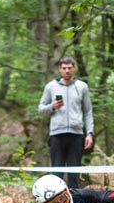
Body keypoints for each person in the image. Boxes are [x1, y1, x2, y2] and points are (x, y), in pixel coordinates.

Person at [38, 57, 95, 189]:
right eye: (64, 68)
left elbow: (88, 112)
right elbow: (41, 109)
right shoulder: (51, 87)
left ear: (74, 68)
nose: (67, 71)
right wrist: (52, 106)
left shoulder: (82, 87)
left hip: (76, 134)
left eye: (69, 68)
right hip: (56, 134)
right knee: (57, 173)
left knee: (74, 174)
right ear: (60, 69)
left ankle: (74, 200)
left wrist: (89, 133)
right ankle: (56, 199)